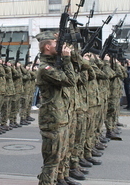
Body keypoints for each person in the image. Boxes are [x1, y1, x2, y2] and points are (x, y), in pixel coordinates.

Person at [35, 31, 78, 185]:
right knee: (52, 161)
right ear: (47, 46)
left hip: (61, 117)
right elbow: (70, 80)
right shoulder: (45, 68)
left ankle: (59, 179)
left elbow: (77, 69)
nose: (58, 46)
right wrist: (66, 58)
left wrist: (67, 55)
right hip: (52, 119)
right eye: (55, 43)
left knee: (62, 154)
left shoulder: (54, 64)